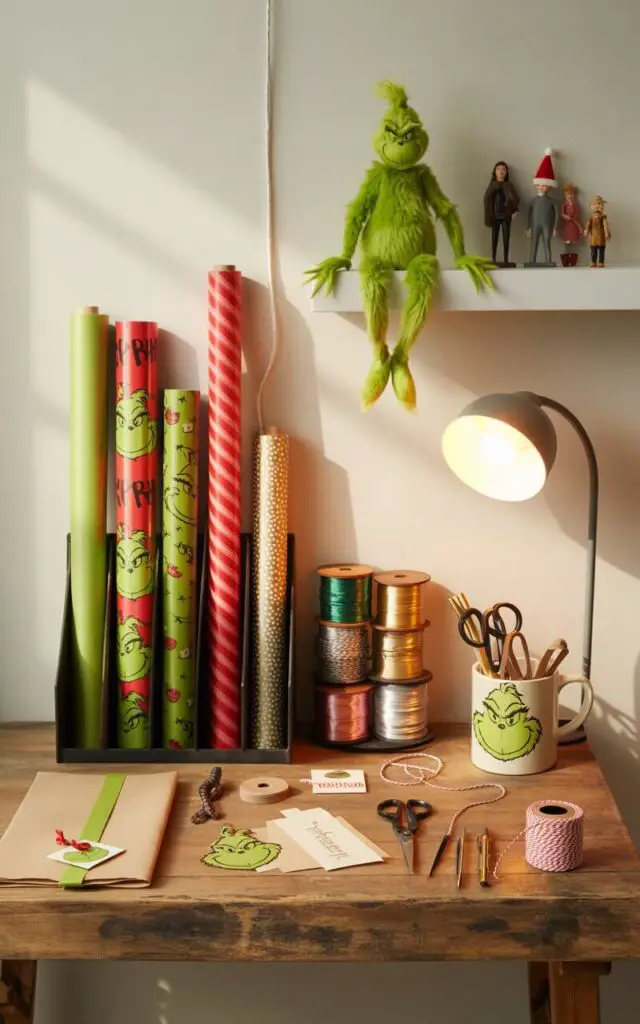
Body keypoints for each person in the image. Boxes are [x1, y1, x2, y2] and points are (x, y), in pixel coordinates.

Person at [525, 148, 558, 266]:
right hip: (535, 225)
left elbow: (557, 215)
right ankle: (531, 261)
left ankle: (548, 261)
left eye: (545, 185)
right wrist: (528, 227)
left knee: (546, 242)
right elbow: (528, 212)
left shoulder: (552, 201)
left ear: (549, 186)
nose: (542, 187)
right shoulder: (533, 200)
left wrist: (555, 228)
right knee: (533, 243)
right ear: (536, 185)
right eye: (539, 185)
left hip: (547, 225)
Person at [483, 161, 520, 266]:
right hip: (495, 216)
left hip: (506, 216)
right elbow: (486, 198)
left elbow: (514, 199)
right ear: (495, 172)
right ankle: (493, 258)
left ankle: (505, 259)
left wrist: (515, 210)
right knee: (494, 238)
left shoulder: (509, 185)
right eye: (498, 169)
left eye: (503, 169)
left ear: (507, 172)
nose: (501, 172)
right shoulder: (492, 186)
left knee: (506, 238)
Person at [584, 196, 611, 267]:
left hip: (601, 236)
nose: (597, 206)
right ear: (591, 206)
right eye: (596, 204)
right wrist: (586, 231)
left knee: (601, 250)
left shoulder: (603, 217)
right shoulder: (591, 218)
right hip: (593, 237)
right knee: (593, 250)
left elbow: (605, 226)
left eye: (599, 204)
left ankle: (601, 262)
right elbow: (588, 225)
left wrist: (607, 233)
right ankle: (593, 261)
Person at [560, 184, 582, 265]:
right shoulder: (564, 204)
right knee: (567, 240)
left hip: (573, 224)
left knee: (573, 240)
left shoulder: (575, 204)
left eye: (571, 194)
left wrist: (573, 217)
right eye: (567, 194)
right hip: (567, 224)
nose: (569, 196)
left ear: (573, 194)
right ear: (565, 195)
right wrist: (566, 216)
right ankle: (566, 257)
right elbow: (562, 213)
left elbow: (577, 212)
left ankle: (572, 258)